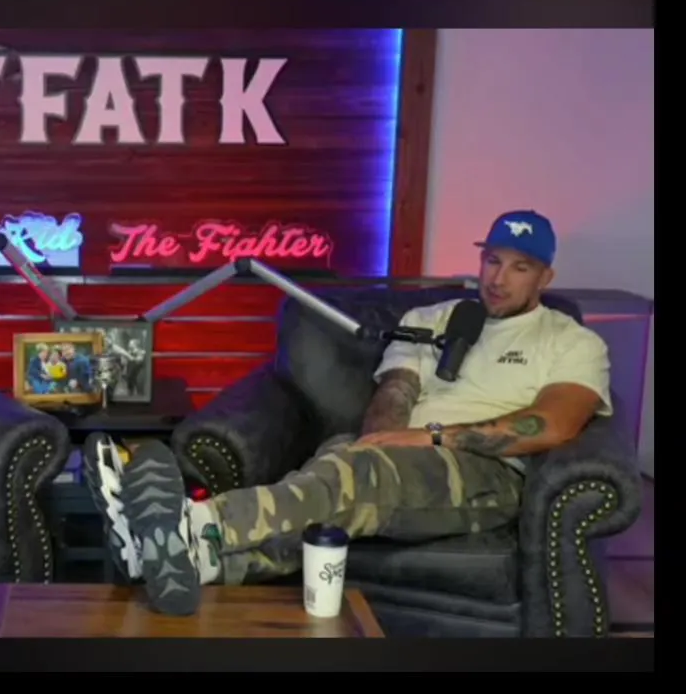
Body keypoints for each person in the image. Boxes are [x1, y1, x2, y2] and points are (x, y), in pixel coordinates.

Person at [83, 210, 614, 616]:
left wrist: (429, 438)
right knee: (339, 474)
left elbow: (554, 423)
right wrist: (379, 444)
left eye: (520, 268)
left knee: (351, 475)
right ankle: (192, 562)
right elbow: (395, 392)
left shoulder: (571, 341)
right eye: (492, 261)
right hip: (400, 456)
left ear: (545, 277)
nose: (498, 278)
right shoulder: (433, 317)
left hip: (487, 473)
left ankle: (193, 523)